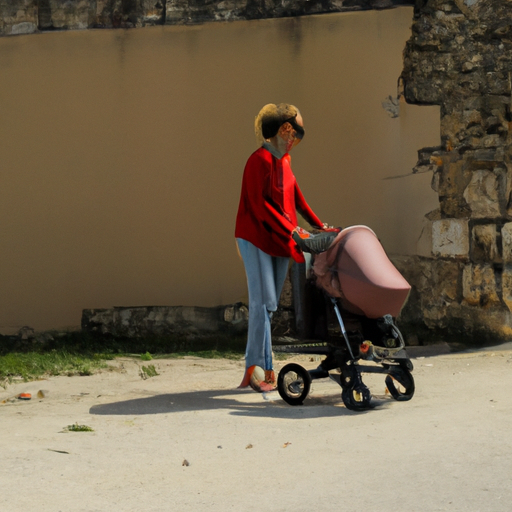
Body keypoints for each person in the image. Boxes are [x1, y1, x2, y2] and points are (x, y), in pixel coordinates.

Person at [235, 103, 328, 392]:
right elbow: (260, 206)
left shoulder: (284, 162)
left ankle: (266, 367)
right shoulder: (258, 160)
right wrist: (291, 229)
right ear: (284, 130)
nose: (296, 140)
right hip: (254, 237)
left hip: (278, 238)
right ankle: (258, 368)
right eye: (296, 133)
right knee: (262, 303)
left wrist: (319, 226)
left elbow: (297, 198)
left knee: (271, 304)